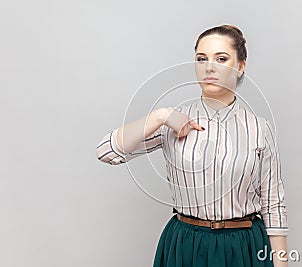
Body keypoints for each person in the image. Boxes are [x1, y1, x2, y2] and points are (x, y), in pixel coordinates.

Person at [96, 24, 288, 267]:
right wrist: (161, 116)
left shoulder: (260, 128)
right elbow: (106, 151)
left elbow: (274, 205)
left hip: (244, 245)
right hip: (186, 244)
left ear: (240, 66)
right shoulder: (172, 122)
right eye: (201, 58)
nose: (209, 67)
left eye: (221, 58)